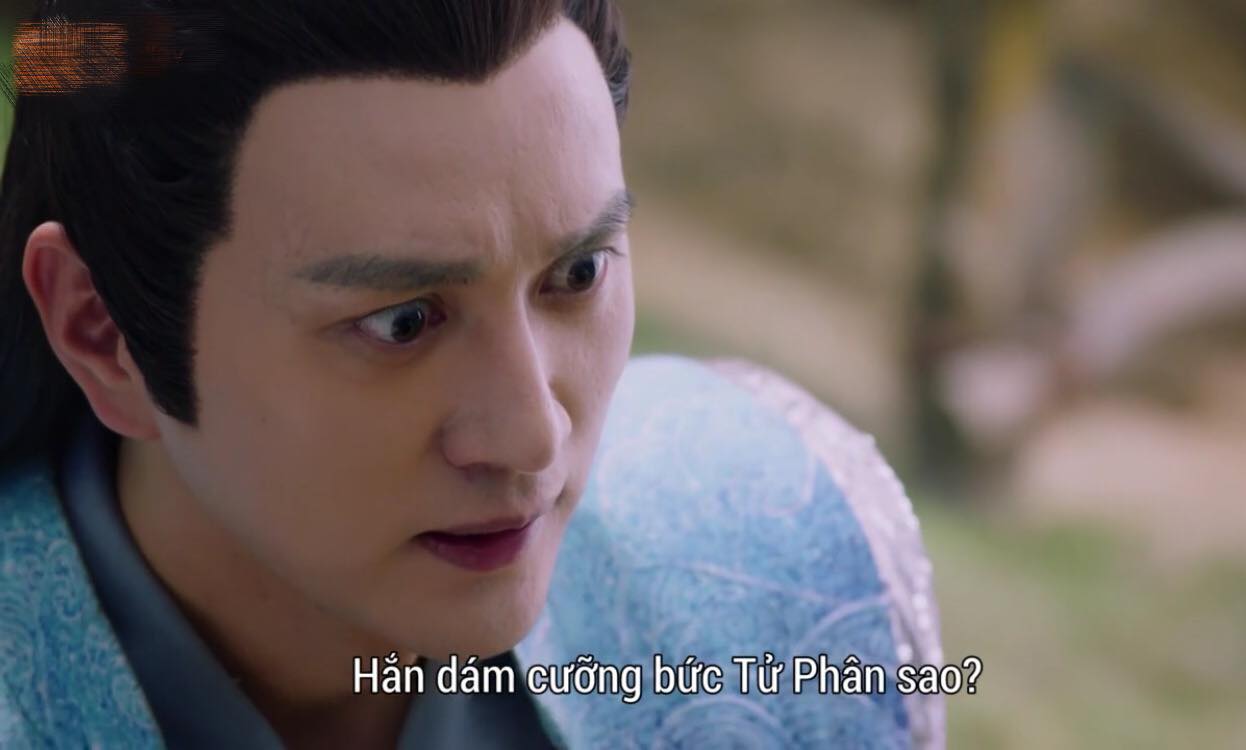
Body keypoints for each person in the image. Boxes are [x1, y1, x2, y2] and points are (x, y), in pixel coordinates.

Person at [0, 2, 944, 747]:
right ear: (102, 330)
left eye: (579, 273)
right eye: (402, 323)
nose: (534, 436)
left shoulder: (785, 573)